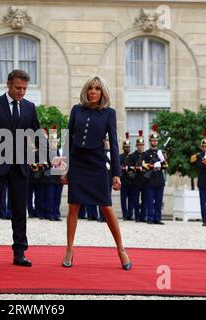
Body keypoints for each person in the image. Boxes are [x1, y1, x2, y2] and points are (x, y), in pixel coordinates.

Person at [61, 75, 131, 270]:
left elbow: (115, 144)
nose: (93, 91)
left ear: (102, 92)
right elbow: (67, 140)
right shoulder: (77, 110)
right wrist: (63, 168)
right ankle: (69, 248)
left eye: (97, 89)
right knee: (73, 206)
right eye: (91, 88)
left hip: (97, 164)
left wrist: (116, 173)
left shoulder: (109, 113)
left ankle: (121, 249)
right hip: (77, 163)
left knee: (106, 207)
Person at [0, 69, 42, 267]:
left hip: (20, 167)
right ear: (8, 84)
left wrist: (47, 156)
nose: (21, 92)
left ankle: (19, 253)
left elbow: (37, 135)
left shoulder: (30, 107)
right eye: (18, 88)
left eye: (24, 89)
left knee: (19, 210)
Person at [142, 131, 167, 225]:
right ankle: (150, 218)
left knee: (159, 201)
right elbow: (143, 165)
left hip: (159, 180)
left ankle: (157, 218)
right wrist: (152, 165)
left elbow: (166, 166)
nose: (155, 142)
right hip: (150, 180)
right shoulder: (146, 153)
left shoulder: (161, 153)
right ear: (150, 141)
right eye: (153, 140)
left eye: (156, 140)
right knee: (149, 201)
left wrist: (162, 160)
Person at [128, 132, 147, 222]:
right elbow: (129, 169)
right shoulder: (132, 156)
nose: (141, 147)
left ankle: (143, 216)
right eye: (139, 145)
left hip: (144, 180)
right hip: (135, 181)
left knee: (145, 200)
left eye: (142, 145)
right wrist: (135, 169)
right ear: (136, 146)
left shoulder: (146, 155)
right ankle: (137, 217)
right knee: (135, 200)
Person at [120, 133, 133, 220]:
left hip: (131, 180)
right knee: (123, 200)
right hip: (123, 180)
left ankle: (130, 215)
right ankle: (125, 215)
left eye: (128, 147)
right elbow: (118, 166)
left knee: (131, 200)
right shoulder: (120, 157)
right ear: (123, 148)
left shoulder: (132, 157)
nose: (127, 148)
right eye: (125, 147)